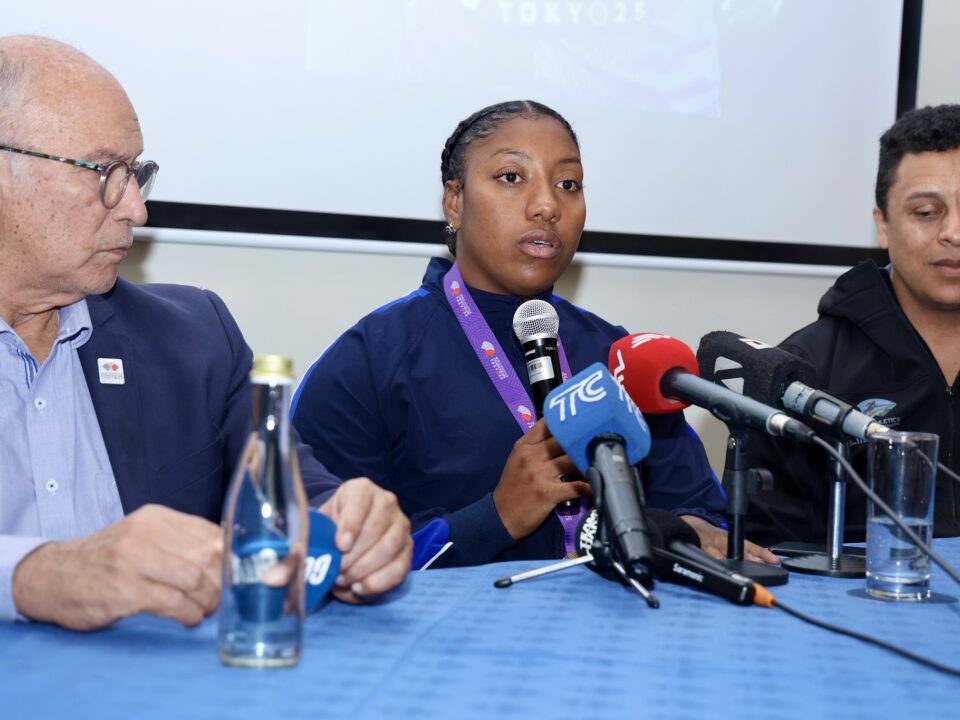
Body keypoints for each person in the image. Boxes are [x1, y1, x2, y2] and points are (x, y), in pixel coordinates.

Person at [0, 36, 411, 630]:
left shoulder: (194, 340)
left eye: (137, 173)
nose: (136, 209)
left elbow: (293, 490)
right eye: (106, 173)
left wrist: (349, 523)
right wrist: (37, 575)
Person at [292, 100, 778, 568]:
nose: (547, 205)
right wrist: (496, 517)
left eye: (568, 184)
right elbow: (327, 556)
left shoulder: (618, 357)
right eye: (511, 177)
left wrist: (690, 531)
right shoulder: (370, 360)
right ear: (455, 202)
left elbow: (697, 507)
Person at [743, 104, 960, 546]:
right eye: (926, 212)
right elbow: (768, 549)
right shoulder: (802, 373)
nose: (954, 232)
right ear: (883, 225)